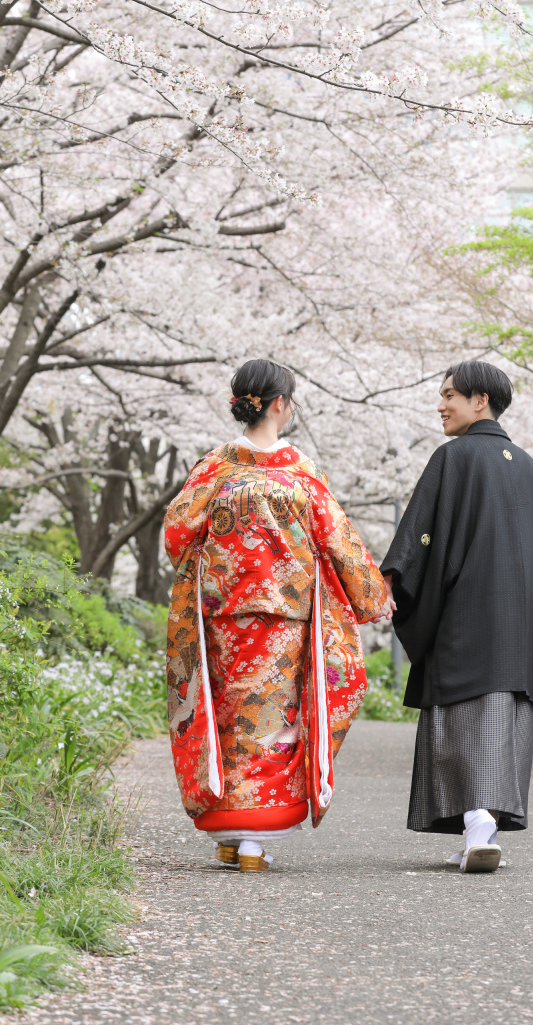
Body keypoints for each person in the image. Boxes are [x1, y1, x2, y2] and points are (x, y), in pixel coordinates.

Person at [164, 359, 386, 873]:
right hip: (286, 618)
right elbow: (339, 540)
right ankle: (251, 843)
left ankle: (231, 828)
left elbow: (176, 534)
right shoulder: (300, 471)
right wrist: (372, 595)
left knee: (226, 718)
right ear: (281, 404)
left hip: (223, 617)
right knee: (272, 721)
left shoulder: (214, 466)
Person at [380, 361, 533, 873]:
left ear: (479, 400)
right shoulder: (527, 465)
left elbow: (417, 536)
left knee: (463, 716)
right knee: (502, 718)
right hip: (523, 620)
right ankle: (476, 826)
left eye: (450, 396)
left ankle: (479, 822)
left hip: (467, 613)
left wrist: (393, 579)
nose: (440, 405)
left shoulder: (454, 457)